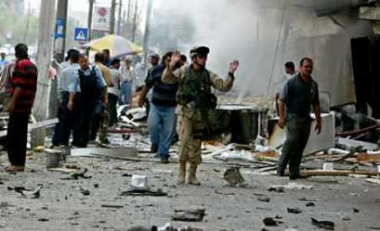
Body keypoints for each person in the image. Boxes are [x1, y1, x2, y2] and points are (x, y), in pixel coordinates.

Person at [162, 46, 239, 185]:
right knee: (185, 141)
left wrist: (231, 73)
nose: (204, 59)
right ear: (194, 58)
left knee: (196, 144)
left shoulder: (208, 75)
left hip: (201, 114)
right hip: (186, 113)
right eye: (201, 56)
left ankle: (192, 174)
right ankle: (181, 172)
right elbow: (167, 79)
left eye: (205, 57)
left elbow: (223, 86)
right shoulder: (184, 71)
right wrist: (172, 64)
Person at [277, 57, 322, 180]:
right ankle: (281, 167)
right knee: (292, 141)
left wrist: (319, 121)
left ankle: (294, 171)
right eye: (306, 67)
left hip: (305, 118)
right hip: (293, 117)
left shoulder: (313, 85)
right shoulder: (292, 82)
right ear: (300, 67)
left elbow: (316, 104)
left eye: (310, 67)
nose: (308, 69)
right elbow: (281, 100)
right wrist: (282, 118)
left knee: (301, 145)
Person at [138, 52, 178, 164]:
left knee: (168, 131)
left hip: (171, 106)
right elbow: (147, 85)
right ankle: (154, 142)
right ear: (164, 60)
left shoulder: (179, 73)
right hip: (156, 104)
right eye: (168, 60)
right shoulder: (155, 71)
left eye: (173, 61)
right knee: (152, 125)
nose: (170, 63)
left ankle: (164, 153)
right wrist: (141, 98)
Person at [5, 44, 38, 172]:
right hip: (27, 105)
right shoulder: (33, 66)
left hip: (18, 106)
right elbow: (33, 88)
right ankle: (20, 163)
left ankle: (16, 163)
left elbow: (19, 86)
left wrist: (12, 103)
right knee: (22, 135)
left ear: (16, 53)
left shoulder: (20, 65)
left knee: (13, 135)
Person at [68, 55, 107, 147]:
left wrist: (105, 99)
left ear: (88, 60)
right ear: (79, 62)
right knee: (84, 120)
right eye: (81, 62)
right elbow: (73, 87)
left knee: (96, 114)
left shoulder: (95, 70)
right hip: (84, 99)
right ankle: (84, 141)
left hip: (96, 98)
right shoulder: (76, 72)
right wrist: (70, 101)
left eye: (85, 61)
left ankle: (93, 136)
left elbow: (103, 85)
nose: (84, 63)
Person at [52, 49, 80, 147]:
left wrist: (60, 98)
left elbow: (60, 84)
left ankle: (61, 141)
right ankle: (76, 141)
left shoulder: (63, 67)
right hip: (79, 97)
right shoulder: (83, 70)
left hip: (66, 95)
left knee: (64, 120)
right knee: (77, 120)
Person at [93, 52, 113, 143]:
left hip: (87, 97)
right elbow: (108, 83)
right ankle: (102, 137)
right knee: (104, 117)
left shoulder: (90, 67)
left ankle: (89, 136)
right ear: (104, 59)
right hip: (101, 97)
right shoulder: (105, 69)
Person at [108, 58, 122, 126]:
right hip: (114, 92)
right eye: (118, 63)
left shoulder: (107, 70)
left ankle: (114, 120)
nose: (119, 65)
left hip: (107, 91)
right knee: (112, 107)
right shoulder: (117, 72)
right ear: (115, 64)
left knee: (111, 106)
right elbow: (123, 80)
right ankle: (110, 122)